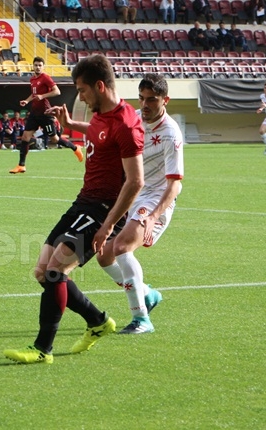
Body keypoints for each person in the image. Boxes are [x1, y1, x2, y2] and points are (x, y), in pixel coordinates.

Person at [3, 54, 144, 364]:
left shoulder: (126, 123)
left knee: (56, 270)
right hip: (83, 202)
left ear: (100, 86)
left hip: (103, 209)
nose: (79, 96)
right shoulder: (100, 114)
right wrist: (70, 125)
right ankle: (97, 321)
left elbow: (135, 182)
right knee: (43, 272)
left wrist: (108, 226)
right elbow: (97, 132)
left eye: (82, 90)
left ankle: (42, 349)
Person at [96, 74, 182, 334]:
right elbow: (101, 132)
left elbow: (175, 184)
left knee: (121, 247)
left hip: (155, 197)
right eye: (142, 99)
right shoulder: (132, 117)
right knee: (104, 255)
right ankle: (146, 293)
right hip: (130, 193)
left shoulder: (170, 133)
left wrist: (155, 215)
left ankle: (141, 319)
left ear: (165, 100)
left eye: (152, 100)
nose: (144, 105)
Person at [10, 57, 83, 174]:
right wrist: (27, 101)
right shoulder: (32, 79)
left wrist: (42, 96)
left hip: (45, 113)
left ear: (43, 67)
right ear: (32, 66)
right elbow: (34, 94)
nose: (38, 67)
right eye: (36, 65)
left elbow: (57, 91)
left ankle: (75, 148)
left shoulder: (45, 78)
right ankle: (21, 165)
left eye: (40, 65)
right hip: (34, 113)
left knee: (54, 139)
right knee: (25, 137)